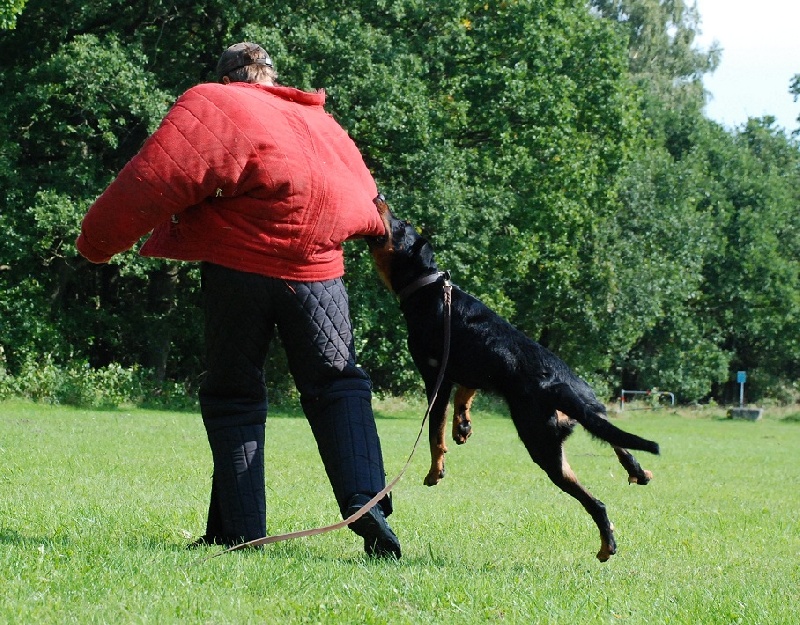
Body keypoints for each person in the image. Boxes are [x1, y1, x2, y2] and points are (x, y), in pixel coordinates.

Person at [75, 42, 401, 558]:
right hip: (320, 276)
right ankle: (367, 504)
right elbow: (371, 204)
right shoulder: (324, 124)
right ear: (273, 77)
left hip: (239, 270)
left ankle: (240, 531)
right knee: (339, 386)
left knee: (234, 397)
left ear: (229, 78)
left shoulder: (220, 103)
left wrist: (96, 242)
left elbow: (153, 178)